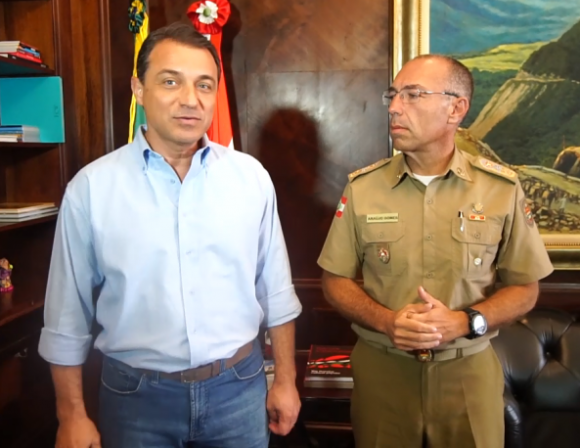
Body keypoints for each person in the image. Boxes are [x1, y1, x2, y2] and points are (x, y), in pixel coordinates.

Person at [39, 22, 302, 448]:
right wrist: (70, 415)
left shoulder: (250, 178)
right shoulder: (91, 189)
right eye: (170, 81)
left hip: (238, 391)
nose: (190, 99)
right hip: (135, 400)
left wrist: (286, 380)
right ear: (138, 89)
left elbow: (275, 291)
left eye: (204, 85)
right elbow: (66, 315)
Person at [317, 54, 553, 448]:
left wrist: (464, 322)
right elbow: (334, 281)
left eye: (413, 95)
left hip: (468, 375)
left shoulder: (500, 189)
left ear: (455, 109)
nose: (394, 107)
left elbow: (525, 289)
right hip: (383, 374)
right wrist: (387, 321)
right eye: (393, 95)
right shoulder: (363, 188)